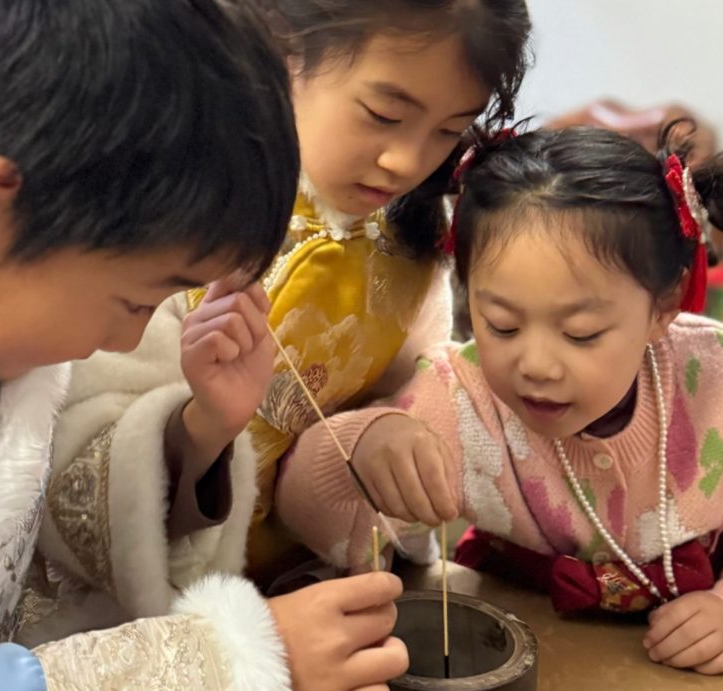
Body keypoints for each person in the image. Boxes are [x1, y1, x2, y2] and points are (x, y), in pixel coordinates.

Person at [0, 1, 406, 688]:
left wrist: (199, 432)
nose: (126, 336)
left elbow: (20, 526)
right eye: (135, 300)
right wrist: (230, 662)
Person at [277, 126, 723, 685]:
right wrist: (364, 445)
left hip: (710, 651)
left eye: (582, 333)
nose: (536, 364)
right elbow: (318, 518)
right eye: (502, 325)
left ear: (664, 305)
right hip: (521, 635)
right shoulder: (458, 400)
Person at [44, 0, 534, 599]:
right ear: (281, 55)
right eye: (383, 114)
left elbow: (412, 405)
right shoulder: (173, 206)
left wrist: (388, 437)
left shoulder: (412, 244)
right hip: (156, 613)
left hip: (319, 584)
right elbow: (71, 465)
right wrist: (200, 431)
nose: (406, 161)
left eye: (447, 130)